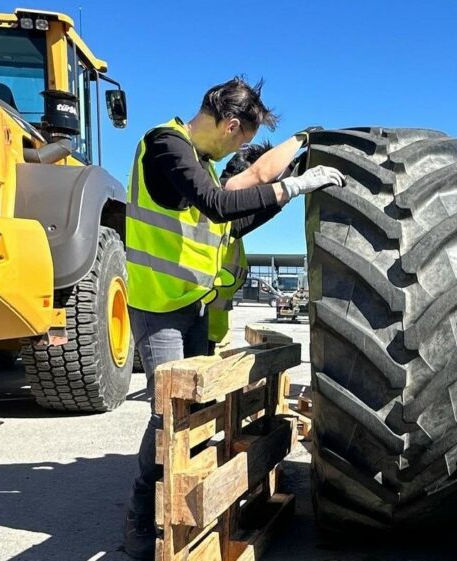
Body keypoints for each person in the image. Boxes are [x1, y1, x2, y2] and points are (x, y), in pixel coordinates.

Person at [123, 77, 343, 559]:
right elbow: (220, 204)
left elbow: (231, 220)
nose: (238, 151)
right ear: (229, 125)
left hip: (192, 305)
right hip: (157, 305)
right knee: (167, 417)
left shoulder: (199, 163)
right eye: (242, 140)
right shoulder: (166, 146)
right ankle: (141, 515)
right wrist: (295, 184)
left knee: (195, 414)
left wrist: (288, 190)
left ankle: (185, 508)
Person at [206, 141, 274, 354]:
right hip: (193, 328)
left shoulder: (227, 218)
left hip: (212, 333)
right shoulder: (218, 214)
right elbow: (263, 207)